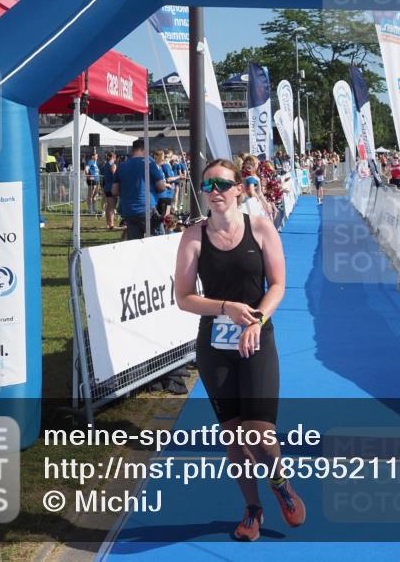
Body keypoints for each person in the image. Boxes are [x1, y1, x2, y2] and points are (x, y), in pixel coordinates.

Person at [174, 159, 305, 541]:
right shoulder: (193, 236)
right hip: (215, 346)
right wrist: (224, 308)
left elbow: (278, 285)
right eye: (208, 184)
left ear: (238, 189)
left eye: (222, 184)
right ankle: (252, 509)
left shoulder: (261, 228)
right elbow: (183, 297)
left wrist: (256, 320)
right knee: (233, 436)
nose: (215, 191)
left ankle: (280, 482)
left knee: (259, 434)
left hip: (257, 340)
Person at [112, 139, 168, 240]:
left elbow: (114, 191)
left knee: (135, 244)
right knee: (159, 241)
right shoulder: (149, 163)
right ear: (144, 150)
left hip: (128, 210)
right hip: (146, 208)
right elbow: (161, 186)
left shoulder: (122, 166)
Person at [154, 150, 177, 223]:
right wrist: (167, 185)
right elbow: (165, 180)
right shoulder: (160, 167)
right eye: (164, 156)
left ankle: (165, 228)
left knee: (166, 215)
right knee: (164, 217)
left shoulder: (160, 167)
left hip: (166, 196)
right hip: (163, 196)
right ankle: (164, 229)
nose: (164, 158)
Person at [100, 152, 118, 230]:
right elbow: (115, 175)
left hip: (107, 187)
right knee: (111, 206)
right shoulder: (112, 165)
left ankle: (109, 223)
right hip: (111, 187)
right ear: (114, 157)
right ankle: (111, 224)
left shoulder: (106, 164)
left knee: (108, 206)